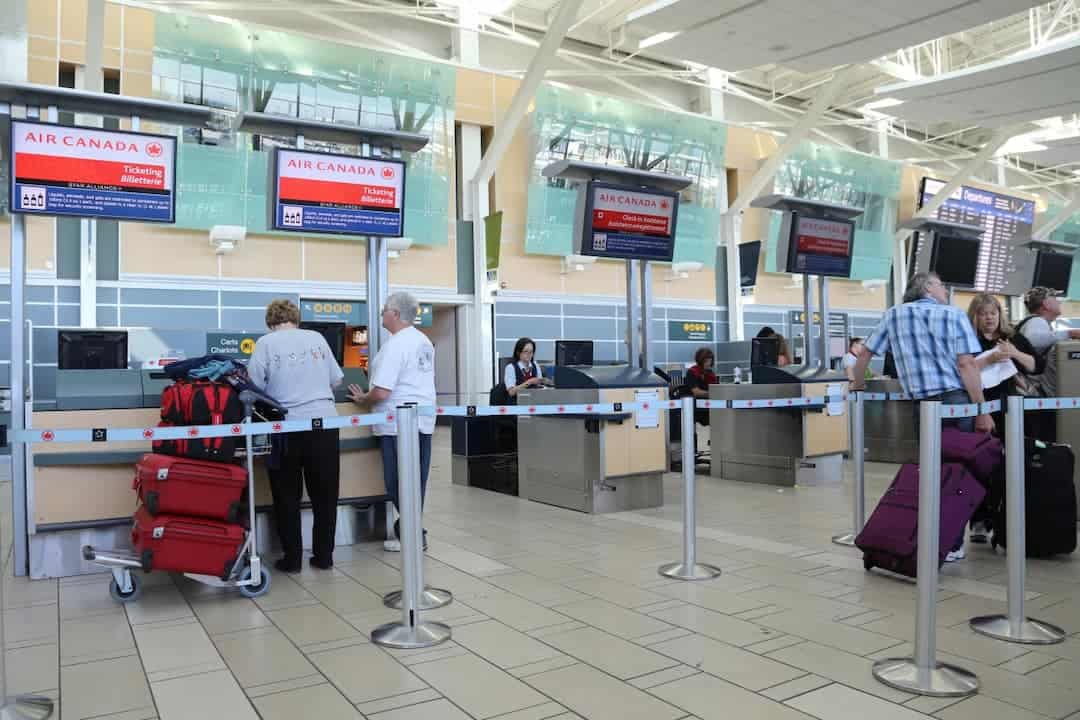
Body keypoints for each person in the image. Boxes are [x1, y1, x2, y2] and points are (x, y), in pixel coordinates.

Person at [851, 272, 990, 562]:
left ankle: (927, 537)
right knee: (959, 473)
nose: (944, 290)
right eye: (941, 284)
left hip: (921, 406)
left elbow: (864, 355)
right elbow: (966, 364)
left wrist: (858, 385)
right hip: (956, 402)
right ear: (927, 287)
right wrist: (982, 409)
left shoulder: (894, 315)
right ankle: (953, 544)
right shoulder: (953, 316)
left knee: (930, 473)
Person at [246, 299, 344, 573]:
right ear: (296, 318)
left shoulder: (266, 343)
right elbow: (336, 379)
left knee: (287, 495)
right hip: (324, 423)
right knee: (325, 495)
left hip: (287, 427)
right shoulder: (317, 338)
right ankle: (324, 557)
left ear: (270, 321)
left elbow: (255, 386)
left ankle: (292, 560)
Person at [348, 292, 436, 552]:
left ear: (395, 314)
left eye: (384, 309)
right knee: (415, 481)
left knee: (398, 481)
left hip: (398, 425)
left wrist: (363, 398)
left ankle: (412, 536)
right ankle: (412, 533)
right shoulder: (423, 341)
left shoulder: (396, 345)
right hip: (422, 421)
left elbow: (382, 391)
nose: (381, 313)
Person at [966, 293, 1042, 543]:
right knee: (981, 465)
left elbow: (1035, 365)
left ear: (1000, 314)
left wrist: (1014, 353)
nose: (989, 318)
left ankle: (1003, 519)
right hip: (980, 408)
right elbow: (962, 371)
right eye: (984, 313)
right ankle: (978, 519)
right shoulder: (968, 340)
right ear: (975, 316)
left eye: (993, 313)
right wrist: (990, 358)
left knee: (1010, 465)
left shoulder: (1012, 337)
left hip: (1010, 408)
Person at [1017, 286, 1080, 441]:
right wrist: (1070, 333)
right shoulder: (1036, 321)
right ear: (1046, 304)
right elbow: (1033, 340)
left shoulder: (1038, 323)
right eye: (1054, 298)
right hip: (1036, 396)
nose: (1059, 301)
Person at [682, 347, 718, 426]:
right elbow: (696, 392)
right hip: (695, 407)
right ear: (700, 361)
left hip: (709, 405)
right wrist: (714, 393)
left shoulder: (710, 373)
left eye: (710, 360)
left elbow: (716, 388)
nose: (708, 363)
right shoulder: (692, 372)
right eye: (706, 361)